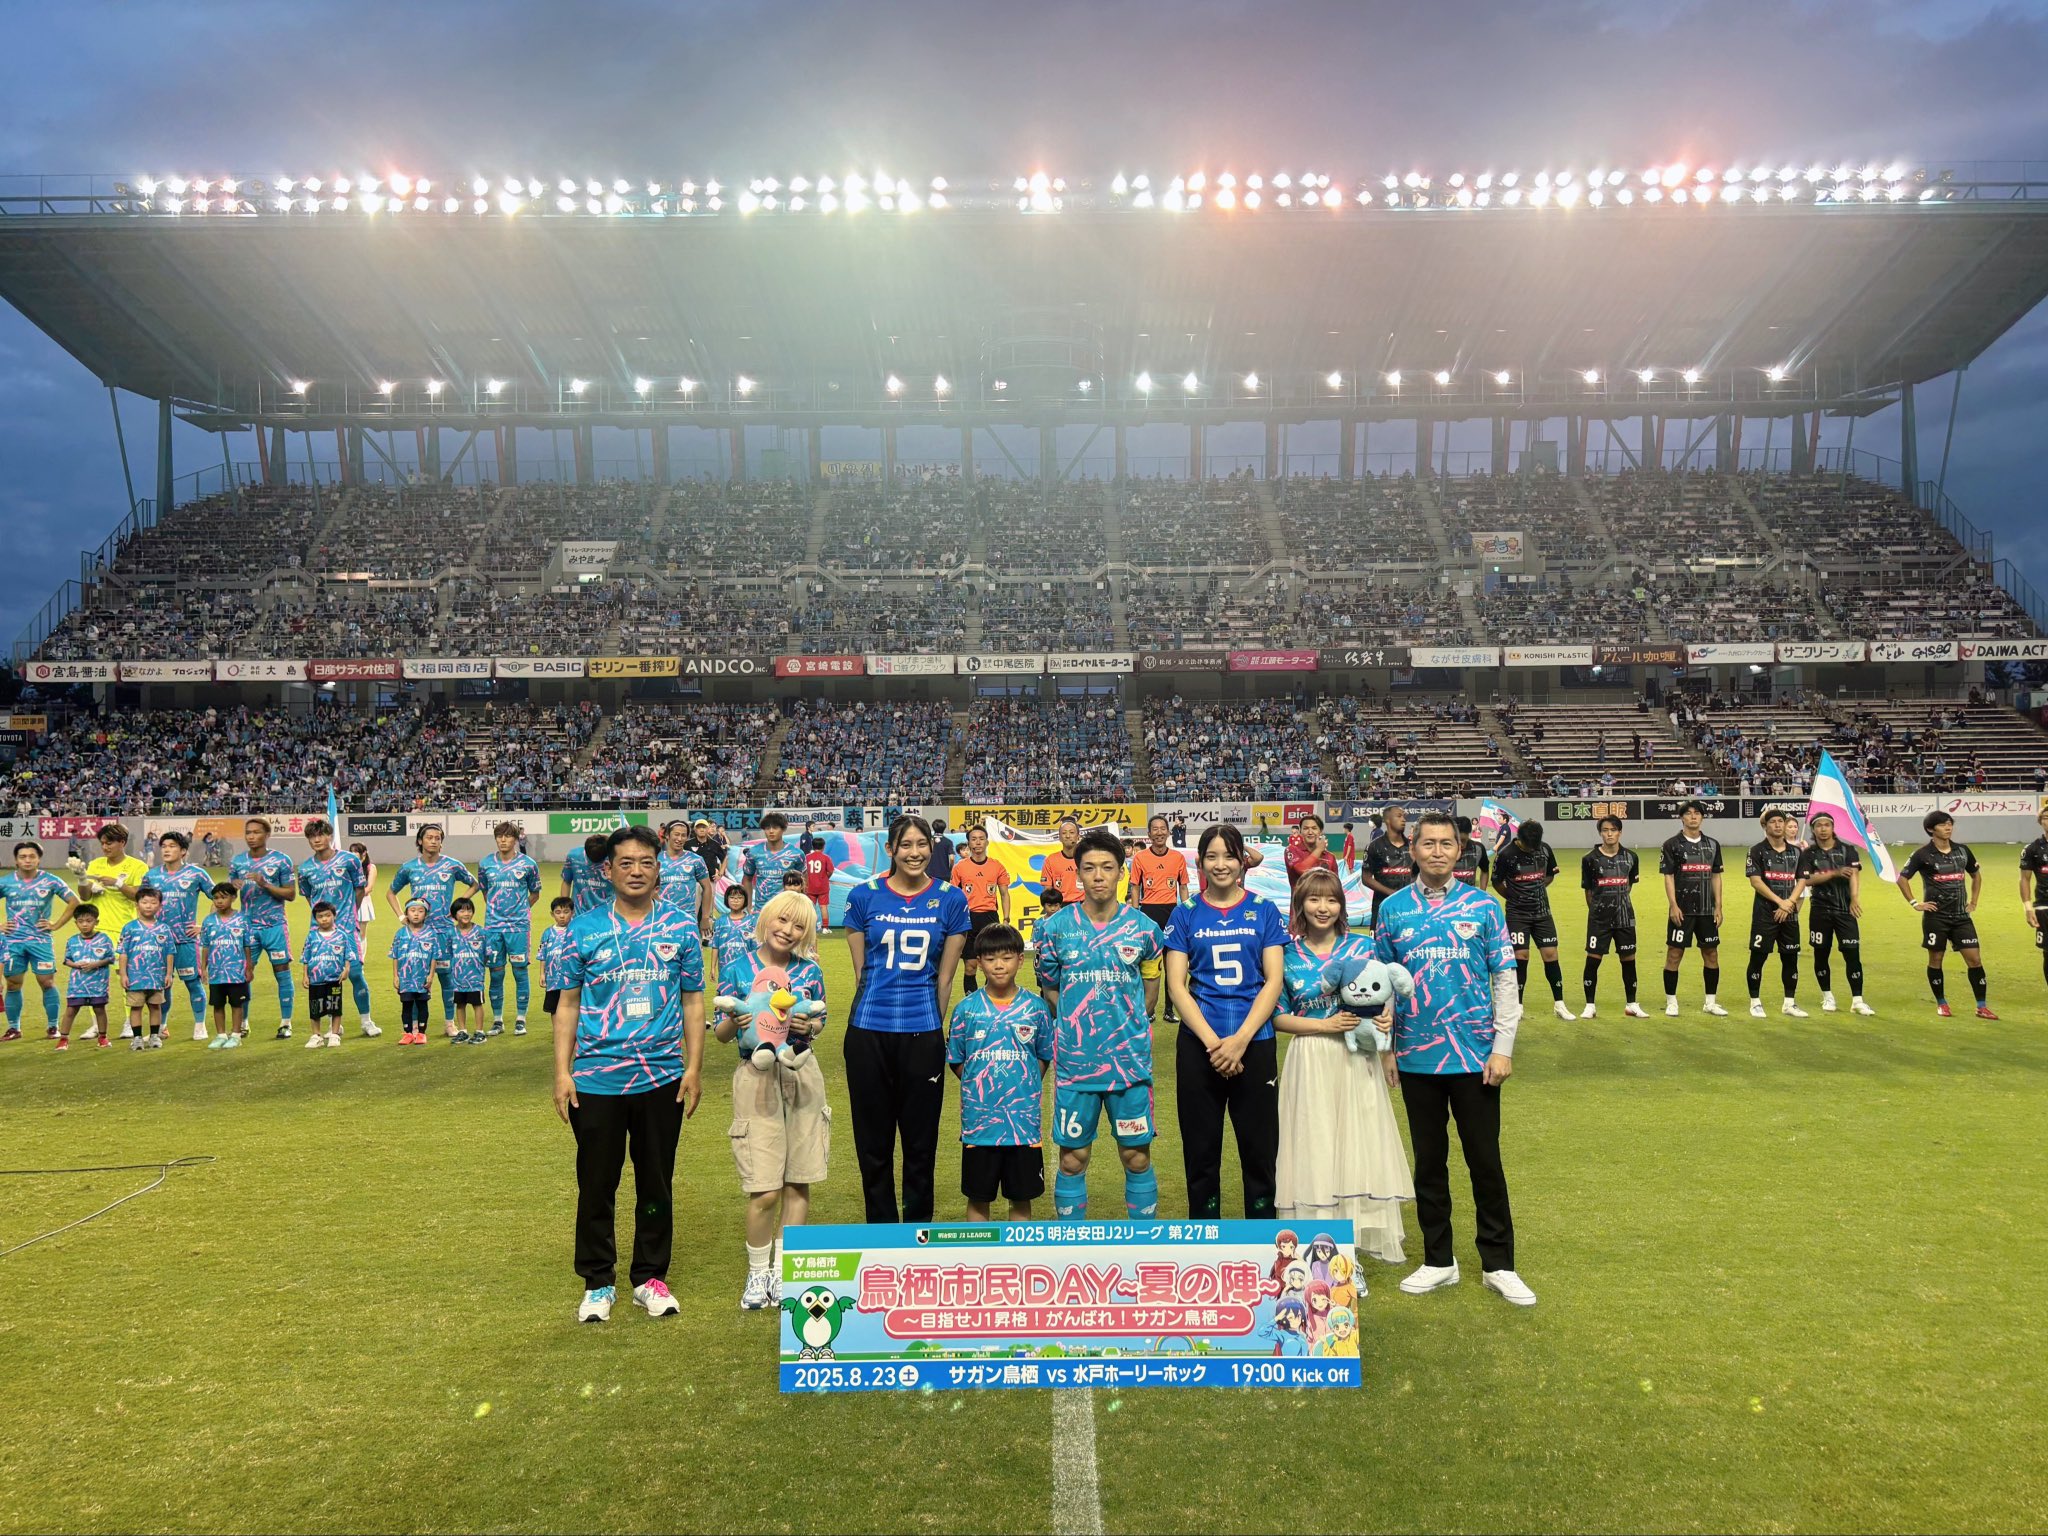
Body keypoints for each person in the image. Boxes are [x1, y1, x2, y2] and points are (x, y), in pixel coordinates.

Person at [1373, 810, 1534, 1307]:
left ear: (1459, 851)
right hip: (1416, 1058)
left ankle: (1499, 1265)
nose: (1437, 851)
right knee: (1429, 1164)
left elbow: (1505, 980)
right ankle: (1438, 1260)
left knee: (1485, 1162)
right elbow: (1382, 986)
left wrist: (1503, 1048)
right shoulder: (1392, 909)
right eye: (1428, 843)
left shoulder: (1484, 907)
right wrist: (1386, 1049)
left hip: (1475, 1057)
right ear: (1413, 849)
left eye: (1446, 844)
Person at [553, 824, 707, 1324]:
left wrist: (693, 1068)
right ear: (608, 870)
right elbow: (567, 1005)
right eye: (626, 863)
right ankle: (598, 1281)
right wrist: (562, 1073)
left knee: (655, 1183)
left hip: (661, 1077)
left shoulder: (680, 927)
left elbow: (693, 1001)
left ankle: (649, 1277)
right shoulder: (582, 928)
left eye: (646, 862)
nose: (637, 871)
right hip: (596, 1078)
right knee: (596, 1183)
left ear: (658, 868)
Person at [1273, 867, 1413, 1264]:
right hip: (1310, 1057)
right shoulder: (1285, 953)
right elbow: (1277, 1017)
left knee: (1359, 1140)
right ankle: (1319, 1240)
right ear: (1300, 904)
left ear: (1342, 905)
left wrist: (1385, 1034)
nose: (1323, 908)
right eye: (1314, 899)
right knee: (1314, 1142)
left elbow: (1384, 998)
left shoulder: (1363, 947)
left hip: (1356, 1057)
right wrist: (1325, 1025)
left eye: (1332, 899)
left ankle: (1355, 1241)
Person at [841, 814, 971, 1224]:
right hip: (868, 1032)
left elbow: (945, 979)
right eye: (906, 845)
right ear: (891, 850)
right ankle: (880, 1232)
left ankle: (917, 1234)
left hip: (922, 1032)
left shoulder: (952, 899)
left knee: (920, 1143)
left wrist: (929, 1029)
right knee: (873, 1144)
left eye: (922, 844)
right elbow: (862, 974)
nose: (915, 853)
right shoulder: (863, 896)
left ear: (932, 848)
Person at [1033, 830, 1164, 1220]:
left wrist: (1126, 1025)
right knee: (1072, 1158)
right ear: (1078, 874)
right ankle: (1070, 1247)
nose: (1098, 876)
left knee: (1136, 1155)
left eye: (1107, 867)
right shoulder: (1055, 929)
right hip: (1076, 1064)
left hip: (1129, 1064)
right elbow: (1051, 989)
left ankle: (1143, 1242)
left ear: (1121, 872)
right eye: (1089, 868)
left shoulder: (1145, 929)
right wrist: (1079, 1024)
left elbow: (1151, 990)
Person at [711, 890, 829, 1309]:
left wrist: (808, 1027)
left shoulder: (810, 971)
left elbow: (819, 1022)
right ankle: (757, 1272)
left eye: (799, 926)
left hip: (801, 1072)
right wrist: (734, 1020)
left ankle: (783, 1273)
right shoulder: (737, 967)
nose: (788, 931)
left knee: (798, 1180)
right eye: (782, 920)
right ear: (766, 919)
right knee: (763, 1188)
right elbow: (721, 1034)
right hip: (756, 1076)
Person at [1165, 824, 1289, 1220]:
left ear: (1242, 862)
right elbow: (1177, 986)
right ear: (1200, 863)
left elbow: (1273, 980)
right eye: (1212, 856)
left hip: (1255, 1043)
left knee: (1260, 1151)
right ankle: (1206, 1238)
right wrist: (1214, 1043)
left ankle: (1265, 1238)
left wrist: (1240, 1040)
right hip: (1199, 1047)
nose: (1221, 864)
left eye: (1229, 856)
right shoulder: (1185, 914)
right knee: (1200, 1151)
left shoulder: (1264, 910)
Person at [948, 922, 1055, 1221]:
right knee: (978, 1196)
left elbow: (1043, 1056)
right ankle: (978, 1251)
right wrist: (981, 1084)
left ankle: (1019, 1250)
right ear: (979, 962)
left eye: (1006, 957)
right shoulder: (966, 1009)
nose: (999, 965)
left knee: (1021, 1198)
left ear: (1020, 960)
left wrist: (1023, 1083)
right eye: (991, 958)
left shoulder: (1036, 1008)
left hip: (1022, 1123)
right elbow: (957, 1059)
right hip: (980, 1124)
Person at [1897, 809, 1994, 1019]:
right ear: (1931, 829)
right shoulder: (1922, 854)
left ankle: (1982, 1006)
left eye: (1950, 823)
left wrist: (1974, 901)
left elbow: (1976, 876)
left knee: (1975, 959)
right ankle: (1942, 1003)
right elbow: (1902, 878)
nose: (1948, 827)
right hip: (1936, 917)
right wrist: (1915, 903)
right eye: (1942, 824)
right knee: (1936, 959)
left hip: (1961, 917)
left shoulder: (1963, 851)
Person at [387, 824, 477, 1031]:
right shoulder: (410, 867)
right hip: (417, 935)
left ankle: (449, 1023)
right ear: (420, 841)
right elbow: (391, 893)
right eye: (429, 837)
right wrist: (401, 915)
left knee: (447, 979)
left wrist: (457, 906)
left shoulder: (452, 865)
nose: (434, 841)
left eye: (438, 838)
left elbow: (475, 884)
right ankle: (415, 1026)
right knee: (415, 982)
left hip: (444, 932)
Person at [298, 820, 377, 1040]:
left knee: (355, 973)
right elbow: (309, 896)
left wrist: (350, 913)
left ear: (329, 836)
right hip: (320, 933)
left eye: (320, 835)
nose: (316, 840)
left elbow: (359, 889)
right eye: (312, 836)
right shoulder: (305, 869)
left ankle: (366, 1021)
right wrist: (321, 919)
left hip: (346, 928)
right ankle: (333, 1025)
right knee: (323, 978)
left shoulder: (349, 860)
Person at [1492, 822, 1573, 1022]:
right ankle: (1518, 1005)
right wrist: (1513, 896)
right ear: (1520, 839)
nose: (1532, 849)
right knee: (1521, 955)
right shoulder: (1506, 855)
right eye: (1529, 846)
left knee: (1551, 954)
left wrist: (1537, 888)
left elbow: (1550, 874)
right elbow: (1496, 881)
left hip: (1542, 912)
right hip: (1517, 915)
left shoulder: (1544, 849)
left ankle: (1559, 1004)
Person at [231, 817, 300, 1040]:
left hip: (274, 926)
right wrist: (232, 887)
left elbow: (291, 894)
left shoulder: (281, 860)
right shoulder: (238, 862)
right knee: (243, 974)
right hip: (247, 927)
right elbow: (228, 894)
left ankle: (286, 1023)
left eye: (256, 832)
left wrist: (265, 884)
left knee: (282, 972)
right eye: (248, 832)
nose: (251, 836)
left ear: (267, 835)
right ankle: (243, 1023)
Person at [1, 841, 77, 1041]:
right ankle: (14, 1028)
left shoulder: (50, 881)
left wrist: (56, 924)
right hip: (13, 942)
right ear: (16, 860)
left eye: (32, 856)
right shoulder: (6, 882)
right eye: (23, 856)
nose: (27, 860)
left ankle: (53, 1026)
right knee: (13, 984)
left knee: (47, 982)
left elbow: (74, 901)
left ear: (39, 859)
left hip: (40, 941)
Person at [1659, 801, 1728, 1018]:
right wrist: (1673, 905)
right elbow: (1669, 876)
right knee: (1674, 954)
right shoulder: (1671, 845)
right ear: (1681, 818)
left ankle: (1710, 1002)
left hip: (1707, 910)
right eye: (1688, 813)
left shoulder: (1713, 845)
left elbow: (1716, 876)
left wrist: (1718, 906)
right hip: (1683, 910)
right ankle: (1671, 1002)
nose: (1693, 817)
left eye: (1697, 813)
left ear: (1702, 817)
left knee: (1711, 954)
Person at [1799, 812, 1872, 1015]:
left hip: (1845, 910)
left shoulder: (1848, 850)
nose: (1823, 829)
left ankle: (1857, 1000)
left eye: (1827, 825)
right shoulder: (1808, 854)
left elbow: (1854, 875)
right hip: (1820, 911)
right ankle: (1827, 997)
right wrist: (1833, 873)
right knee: (1821, 954)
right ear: (1813, 829)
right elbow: (1806, 880)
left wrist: (1854, 898)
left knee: (1852, 954)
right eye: (1819, 825)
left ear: (1833, 828)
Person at [477, 821, 543, 1036]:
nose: (503, 840)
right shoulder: (486, 863)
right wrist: (497, 912)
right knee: (495, 974)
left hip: (518, 928)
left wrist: (519, 910)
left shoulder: (528, 864)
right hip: (493, 928)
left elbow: (535, 893)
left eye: (507, 836)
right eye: (499, 836)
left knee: (520, 972)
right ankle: (497, 1020)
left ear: (516, 839)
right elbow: (485, 892)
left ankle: (520, 1019)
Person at [1580, 816, 1648, 1018]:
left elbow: (1628, 886)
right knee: (1593, 960)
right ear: (1600, 833)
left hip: (1625, 917)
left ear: (1620, 832)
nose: (1609, 834)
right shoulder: (1589, 859)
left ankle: (1631, 1004)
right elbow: (1588, 892)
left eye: (1613, 830)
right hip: (1599, 919)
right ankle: (1589, 1005)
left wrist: (1619, 905)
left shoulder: (1631, 857)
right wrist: (1599, 911)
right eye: (1605, 830)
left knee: (1629, 959)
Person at [1744, 809, 1809, 1019]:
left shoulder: (1797, 852)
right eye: (1773, 822)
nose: (1778, 825)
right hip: (1765, 914)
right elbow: (1756, 881)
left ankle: (1789, 1003)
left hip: (1789, 914)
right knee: (1758, 957)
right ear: (1765, 826)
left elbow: (1802, 880)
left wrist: (1789, 902)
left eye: (1781, 821)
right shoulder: (1756, 851)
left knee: (1790, 959)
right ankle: (1755, 1002)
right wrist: (1780, 902)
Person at [153, 831, 217, 1042]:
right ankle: (162, 1026)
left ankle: (200, 1026)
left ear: (183, 851)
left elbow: (219, 896)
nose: (166, 850)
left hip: (186, 940)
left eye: (172, 846)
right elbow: (143, 904)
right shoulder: (152, 876)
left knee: (193, 983)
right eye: (164, 846)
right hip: (159, 942)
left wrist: (205, 925)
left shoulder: (196, 874)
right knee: (163, 985)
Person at [1130, 815, 1190, 1022]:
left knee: (1172, 964)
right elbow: (1135, 887)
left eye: (1162, 828)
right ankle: (1149, 1008)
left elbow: (1183, 887)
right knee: (1148, 965)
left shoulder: (1177, 857)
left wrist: (1186, 912)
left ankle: (1169, 1010)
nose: (1159, 832)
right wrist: (1136, 913)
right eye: (1154, 829)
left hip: (1172, 914)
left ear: (1169, 832)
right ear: (1149, 834)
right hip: (1148, 914)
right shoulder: (1140, 858)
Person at [116, 886, 172, 1051]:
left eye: (153, 902)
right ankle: (137, 1038)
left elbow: (169, 953)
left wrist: (169, 974)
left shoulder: (164, 929)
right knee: (136, 1007)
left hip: (157, 976)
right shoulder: (129, 928)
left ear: (160, 906)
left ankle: (154, 1036)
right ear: (137, 905)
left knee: (155, 1006)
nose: (148, 906)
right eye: (145, 902)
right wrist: (123, 974)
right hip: (135, 977)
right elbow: (123, 953)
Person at [198, 882, 251, 1048]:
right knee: (218, 1004)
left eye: (223, 897)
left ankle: (236, 1035)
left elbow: (247, 945)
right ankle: (220, 1035)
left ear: (233, 898)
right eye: (216, 898)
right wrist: (203, 968)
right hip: (216, 971)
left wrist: (249, 967)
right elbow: (205, 946)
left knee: (236, 1004)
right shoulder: (209, 921)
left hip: (236, 971)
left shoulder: (242, 919)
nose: (219, 901)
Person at [82, 824, 150, 950]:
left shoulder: (138, 866)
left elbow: (140, 897)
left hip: (123, 927)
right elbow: (85, 897)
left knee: (121, 963)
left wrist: (118, 884)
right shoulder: (95, 864)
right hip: (96, 927)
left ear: (122, 842)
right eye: (102, 843)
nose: (105, 847)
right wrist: (82, 880)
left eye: (109, 843)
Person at [58, 903, 114, 1049]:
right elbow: (67, 960)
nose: (84, 925)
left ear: (96, 922)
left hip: (98, 983)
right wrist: (76, 965)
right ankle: (63, 1039)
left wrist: (96, 964)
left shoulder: (104, 939)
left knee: (99, 1009)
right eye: (81, 921)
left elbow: (111, 958)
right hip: (77, 984)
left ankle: (103, 1037)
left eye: (89, 921)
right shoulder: (72, 941)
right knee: (71, 1010)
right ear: (75, 923)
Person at [388, 898, 443, 1045]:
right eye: (412, 911)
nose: (416, 914)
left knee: (422, 1005)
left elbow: (434, 957)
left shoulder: (431, 934)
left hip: (422, 978)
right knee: (406, 1005)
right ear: (406, 913)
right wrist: (395, 976)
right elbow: (395, 956)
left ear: (426, 914)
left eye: (420, 911)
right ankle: (407, 1033)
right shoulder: (400, 934)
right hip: (405, 978)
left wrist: (431, 975)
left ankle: (421, 1033)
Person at [300, 901, 354, 1049]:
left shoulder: (341, 936)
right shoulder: (312, 936)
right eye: (320, 916)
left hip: (334, 978)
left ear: (334, 916)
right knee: (315, 1008)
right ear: (315, 918)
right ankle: (316, 1035)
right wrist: (305, 975)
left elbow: (348, 955)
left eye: (327, 915)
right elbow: (305, 957)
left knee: (335, 1006)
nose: (324, 919)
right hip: (315, 979)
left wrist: (346, 969)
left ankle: (334, 1034)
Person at [657, 820, 715, 939]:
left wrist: (705, 918)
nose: (680, 838)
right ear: (667, 835)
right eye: (676, 834)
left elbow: (707, 888)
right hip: (661, 920)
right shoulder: (656, 859)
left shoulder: (696, 860)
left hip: (687, 920)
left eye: (683, 835)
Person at [1362, 806, 1416, 929]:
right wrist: (1392, 893)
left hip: (1410, 906)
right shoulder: (1374, 847)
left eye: (1404, 816)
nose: (1403, 819)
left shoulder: (1413, 847)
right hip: (1382, 907)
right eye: (1399, 816)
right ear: (1387, 820)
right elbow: (1366, 878)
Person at [447, 898, 490, 1044]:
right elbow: (449, 953)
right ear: (454, 914)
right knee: (460, 1004)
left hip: (475, 978)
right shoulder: (451, 933)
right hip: (458, 978)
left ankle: (479, 1032)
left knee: (477, 1004)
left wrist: (478, 967)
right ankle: (462, 1031)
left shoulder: (481, 932)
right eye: (462, 911)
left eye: (469, 910)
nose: (466, 914)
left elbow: (487, 954)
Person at [741, 813, 803, 913]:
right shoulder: (753, 853)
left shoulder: (796, 854)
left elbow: (804, 881)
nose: (771, 831)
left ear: (783, 829)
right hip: (761, 910)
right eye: (767, 828)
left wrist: (801, 905)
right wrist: (748, 906)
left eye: (775, 828)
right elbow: (747, 879)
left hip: (787, 910)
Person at [2018, 805, 2048, 997]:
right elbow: (2024, 879)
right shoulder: (2032, 849)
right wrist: (2028, 908)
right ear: (2040, 821)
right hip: (2044, 906)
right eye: (2046, 817)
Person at [539, 897, 577, 1022]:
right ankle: (557, 1032)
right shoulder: (547, 933)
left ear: (572, 913)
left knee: (572, 1006)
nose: (562, 916)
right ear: (552, 914)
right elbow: (543, 955)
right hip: (553, 979)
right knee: (553, 1008)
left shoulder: (575, 931)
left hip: (571, 978)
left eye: (566, 912)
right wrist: (542, 974)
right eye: (558, 912)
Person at [560, 833, 614, 918]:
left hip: (607, 914)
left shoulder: (614, 859)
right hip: (579, 915)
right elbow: (567, 881)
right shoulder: (574, 857)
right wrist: (565, 908)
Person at [711, 884, 756, 979]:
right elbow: (715, 946)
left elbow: (756, 947)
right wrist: (712, 968)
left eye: (739, 898)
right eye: (732, 897)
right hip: (725, 968)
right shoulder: (720, 922)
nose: (736, 901)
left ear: (745, 900)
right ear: (726, 899)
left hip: (746, 968)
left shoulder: (751, 922)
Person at [1284, 813, 1338, 891]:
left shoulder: (1330, 857)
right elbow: (1302, 870)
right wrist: (1319, 849)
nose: (1310, 832)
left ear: (1320, 831)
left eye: (1314, 828)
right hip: (1301, 899)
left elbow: (1336, 886)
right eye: (1305, 828)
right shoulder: (1292, 850)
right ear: (1300, 831)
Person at [1038, 816, 1084, 905]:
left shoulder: (1086, 859)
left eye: (1072, 832)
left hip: (1084, 905)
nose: (1068, 836)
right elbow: (1047, 890)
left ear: (1078, 836)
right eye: (1064, 833)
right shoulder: (1051, 860)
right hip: (1060, 906)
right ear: (1059, 837)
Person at [800, 837, 836, 934]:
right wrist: (825, 878)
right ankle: (825, 928)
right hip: (823, 887)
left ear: (812, 846)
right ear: (823, 847)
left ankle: (810, 927)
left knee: (810, 907)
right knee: (823, 907)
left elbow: (803, 871)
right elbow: (831, 871)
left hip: (809, 886)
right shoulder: (826, 858)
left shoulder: (807, 857)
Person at [350, 842, 378, 932]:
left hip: (363, 901)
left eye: (355, 851)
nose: (353, 854)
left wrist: (356, 895)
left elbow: (369, 888)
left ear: (364, 853)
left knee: (361, 933)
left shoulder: (371, 867)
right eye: (351, 851)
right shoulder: (349, 867)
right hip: (349, 902)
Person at [929, 818, 957, 885]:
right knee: (944, 890)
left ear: (933, 827)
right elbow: (952, 858)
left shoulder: (928, 840)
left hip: (929, 873)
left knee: (930, 890)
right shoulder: (948, 842)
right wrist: (950, 869)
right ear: (944, 828)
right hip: (944, 874)